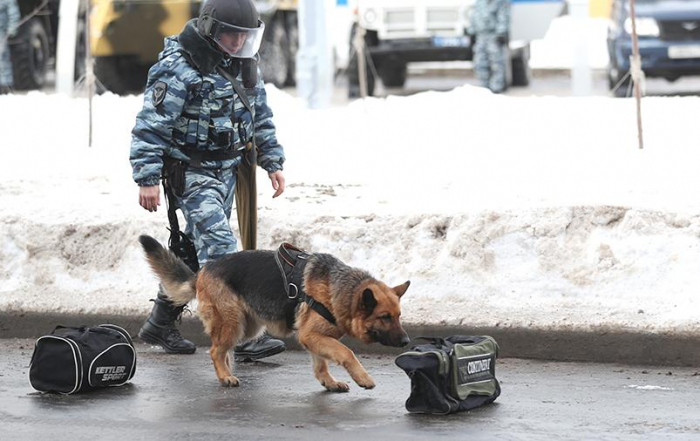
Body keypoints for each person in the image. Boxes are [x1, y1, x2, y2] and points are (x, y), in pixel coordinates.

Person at [130, 0, 287, 359]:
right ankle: (246, 337)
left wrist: (272, 161)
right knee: (220, 248)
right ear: (210, 28)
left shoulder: (245, 63)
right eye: (230, 34)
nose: (236, 42)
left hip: (230, 169)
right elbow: (151, 126)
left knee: (190, 247)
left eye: (243, 36)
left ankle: (160, 323)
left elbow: (259, 114)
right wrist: (147, 177)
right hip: (192, 171)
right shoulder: (178, 67)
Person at [469, 0, 511, 93]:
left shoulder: (501, 2)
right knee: (480, 63)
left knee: (497, 64)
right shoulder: (479, 2)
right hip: (480, 36)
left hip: (494, 36)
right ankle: (484, 88)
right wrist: (471, 31)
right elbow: (474, 15)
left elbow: (504, 16)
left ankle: (496, 88)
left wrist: (501, 32)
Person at [0, 0, 19, 94]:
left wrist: (12, 28)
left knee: (2, 59)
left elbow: (13, 13)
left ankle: (6, 85)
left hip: (1, 33)